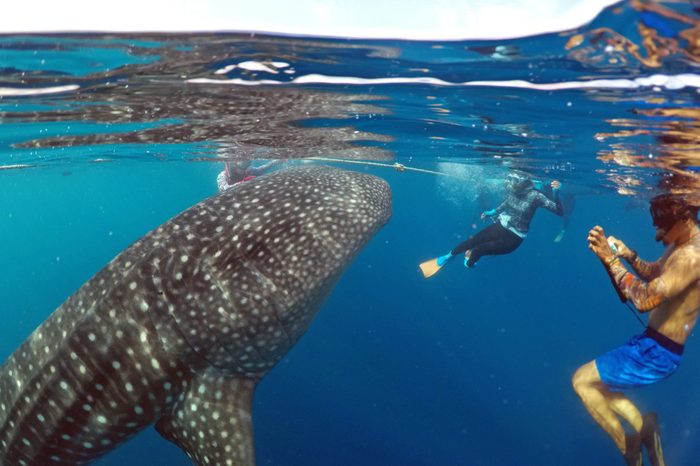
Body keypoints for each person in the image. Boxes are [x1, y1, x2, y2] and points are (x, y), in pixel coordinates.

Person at [572, 194, 700, 466]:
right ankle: (646, 428)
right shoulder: (683, 244)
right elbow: (657, 275)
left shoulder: (693, 256)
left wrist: (611, 261)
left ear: (684, 218)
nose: (657, 234)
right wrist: (630, 256)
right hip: (651, 344)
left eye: (662, 225)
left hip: (658, 352)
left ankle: (628, 446)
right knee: (599, 388)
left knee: (582, 381)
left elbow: (645, 299)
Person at [419, 171, 563, 278]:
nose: (511, 182)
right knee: (472, 241)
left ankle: (469, 264)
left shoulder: (536, 196)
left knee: (478, 250)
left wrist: (556, 194)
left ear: (525, 181)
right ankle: (448, 256)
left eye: (514, 180)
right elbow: (507, 203)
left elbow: (559, 211)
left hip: (514, 238)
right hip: (501, 225)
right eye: (511, 178)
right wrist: (492, 212)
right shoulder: (512, 188)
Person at [217, 159, 286, 192]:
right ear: (232, 165)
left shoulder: (249, 171)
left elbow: (265, 167)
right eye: (243, 164)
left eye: (248, 163)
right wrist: (244, 183)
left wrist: (278, 161)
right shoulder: (222, 176)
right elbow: (224, 190)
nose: (247, 168)